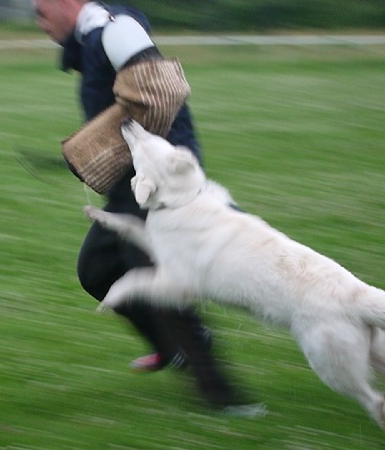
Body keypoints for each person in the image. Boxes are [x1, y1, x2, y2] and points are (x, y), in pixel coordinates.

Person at [33, 0, 246, 408]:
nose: (39, 23)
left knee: (147, 271)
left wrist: (128, 143)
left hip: (160, 178)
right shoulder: (91, 36)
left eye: (42, 11)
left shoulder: (115, 29)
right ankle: (174, 347)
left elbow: (165, 92)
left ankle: (224, 398)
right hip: (131, 182)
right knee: (97, 271)